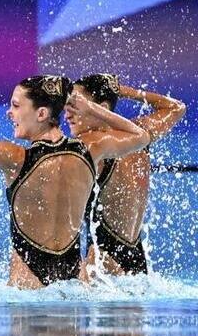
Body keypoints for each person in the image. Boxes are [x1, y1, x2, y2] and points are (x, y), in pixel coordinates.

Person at [0, 75, 152, 288]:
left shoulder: (14, 157)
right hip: (74, 279)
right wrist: (90, 108)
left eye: (16, 106)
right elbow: (141, 137)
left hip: (28, 282)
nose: (9, 113)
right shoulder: (89, 149)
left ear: (42, 113)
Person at [68, 74, 186, 276]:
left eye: (75, 105)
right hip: (136, 256)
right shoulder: (139, 134)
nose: (67, 113)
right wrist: (122, 91)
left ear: (102, 109)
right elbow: (176, 108)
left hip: (102, 259)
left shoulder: (92, 145)